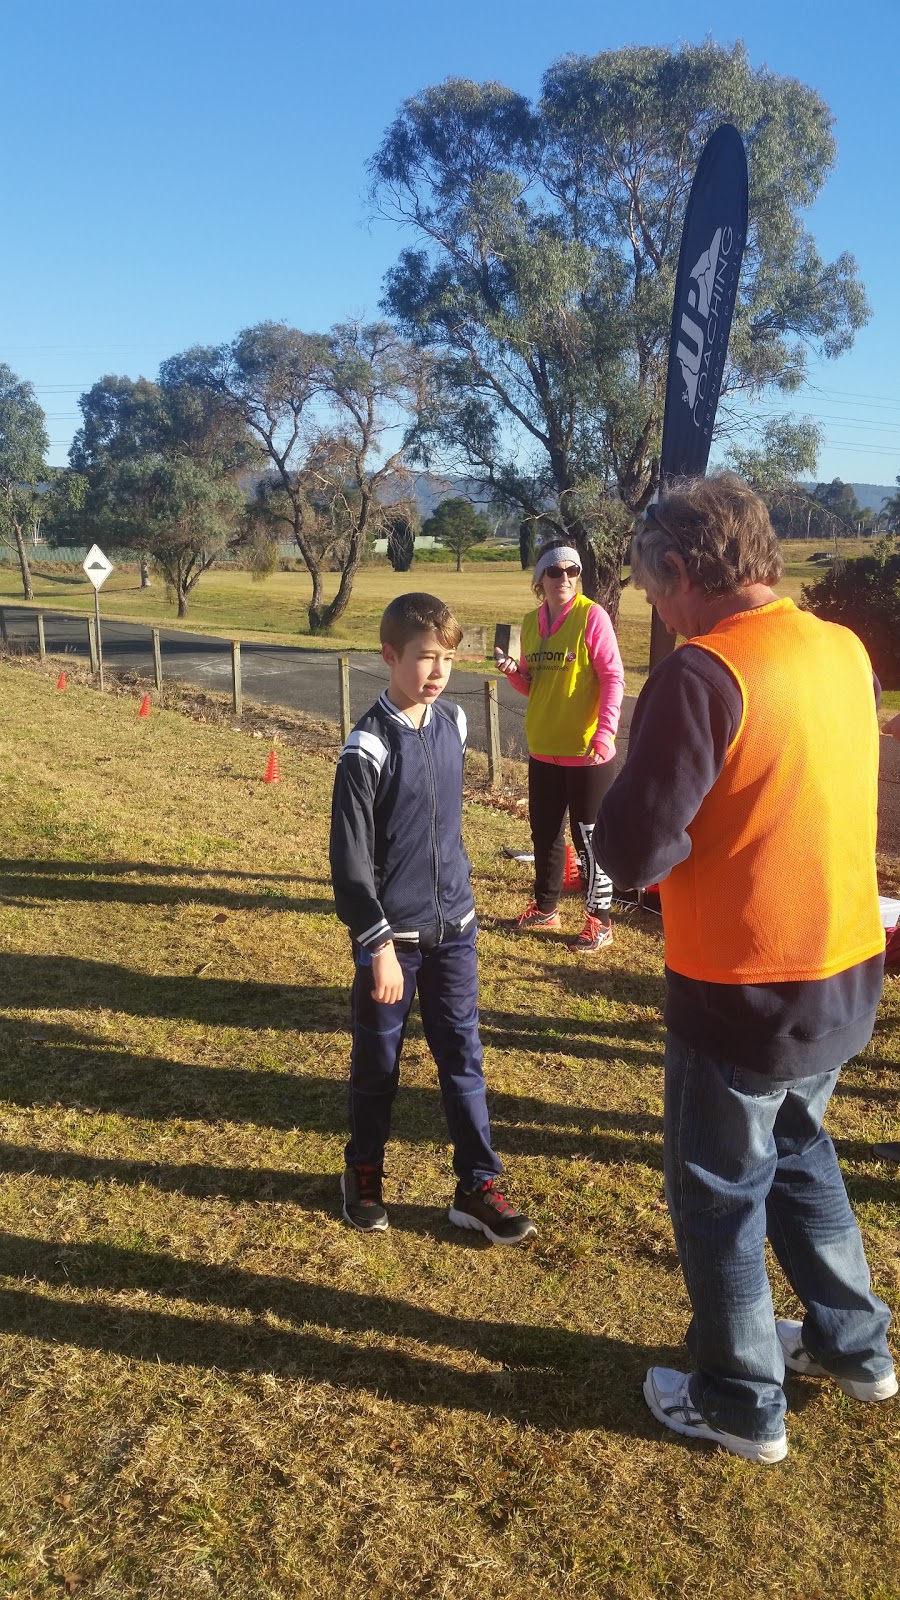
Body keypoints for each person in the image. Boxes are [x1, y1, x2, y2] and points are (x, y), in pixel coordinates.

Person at [592, 472, 896, 1465]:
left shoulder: (702, 673)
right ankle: (857, 1347)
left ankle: (741, 1399)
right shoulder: (844, 649)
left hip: (743, 990)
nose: (660, 617)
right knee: (803, 1152)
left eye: (655, 595)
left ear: (682, 571)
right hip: (845, 972)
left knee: (720, 1194)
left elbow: (633, 851)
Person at [329, 591, 536, 1245]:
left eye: (447, 657)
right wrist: (378, 944)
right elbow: (350, 864)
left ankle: (477, 1185)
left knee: (463, 1058)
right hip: (393, 943)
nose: (438, 671)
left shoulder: (454, 722)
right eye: (424, 658)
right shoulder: (366, 747)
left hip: (456, 934)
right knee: (378, 1064)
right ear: (390, 656)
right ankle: (362, 1171)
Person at [496, 537, 624, 953]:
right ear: (540, 579)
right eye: (554, 571)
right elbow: (533, 685)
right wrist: (513, 672)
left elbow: (612, 678)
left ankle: (599, 922)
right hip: (543, 746)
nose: (564, 578)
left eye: (572, 570)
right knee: (545, 833)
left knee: (590, 838)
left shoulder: (593, 617)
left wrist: (605, 733)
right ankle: (546, 908)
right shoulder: (531, 623)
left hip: (588, 751)